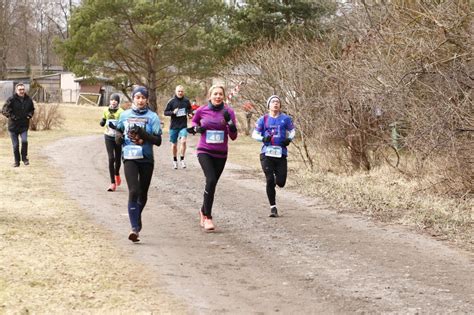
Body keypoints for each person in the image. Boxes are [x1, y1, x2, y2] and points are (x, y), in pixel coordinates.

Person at [114, 86, 162, 242]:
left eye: (143, 97)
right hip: (129, 157)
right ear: (133, 98)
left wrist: (143, 134)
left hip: (147, 159)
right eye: (137, 97)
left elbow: (158, 141)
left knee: (143, 194)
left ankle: (136, 218)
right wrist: (118, 137)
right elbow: (118, 131)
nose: (140, 100)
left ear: (147, 99)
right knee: (133, 190)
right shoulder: (125, 115)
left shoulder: (152, 117)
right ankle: (134, 228)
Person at [187, 85, 238, 231]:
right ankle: (208, 217)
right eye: (215, 94)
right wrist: (196, 128)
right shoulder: (202, 110)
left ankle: (203, 209)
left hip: (221, 153)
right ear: (210, 96)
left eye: (220, 94)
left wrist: (229, 123)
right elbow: (194, 122)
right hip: (205, 151)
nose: (218, 97)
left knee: (213, 184)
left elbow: (233, 137)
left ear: (223, 96)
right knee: (210, 180)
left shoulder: (229, 111)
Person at [252, 95, 295, 217]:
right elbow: (254, 134)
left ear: (280, 105)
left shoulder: (285, 119)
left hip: (281, 153)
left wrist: (289, 139)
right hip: (266, 153)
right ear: (268, 105)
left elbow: (292, 131)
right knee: (270, 179)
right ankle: (273, 208)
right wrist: (262, 138)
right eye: (273, 102)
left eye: (277, 102)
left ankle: (273, 182)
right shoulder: (263, 119)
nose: (275, 104)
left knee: (280, 182)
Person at [1, 83, 35, 167]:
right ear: (16, 90)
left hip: (24, 125)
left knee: (24, 141)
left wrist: (30, 115)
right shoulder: (11, 99)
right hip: (13, 127)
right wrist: (12, 116)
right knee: (15, 145)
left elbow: (32, 109)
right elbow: (4, 110)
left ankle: (24, 158)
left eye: (23, 89)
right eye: (20, 89)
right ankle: (17, 162)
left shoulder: (28, 99)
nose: (22, 91)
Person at [99, 93, 124, 192]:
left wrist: (116, 128)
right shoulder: (106, 110)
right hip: (108, 136)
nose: (113, 101)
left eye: (115, 100)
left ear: (118, 102)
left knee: (118, 159)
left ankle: (117, 173)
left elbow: (123, 127)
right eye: (111, 100)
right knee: (111, 158)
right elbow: (104, 119)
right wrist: (102, 122)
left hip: (117, 137)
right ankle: (112, 183)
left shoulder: (122, 112)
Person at [164, 85, 192, 169]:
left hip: (183, 125)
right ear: (176, 92)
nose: (180, 93)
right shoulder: (171, 101)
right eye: (179, 91)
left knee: (183, 141)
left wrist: (190, 114)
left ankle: (182, 160)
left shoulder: (186, 101)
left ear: (183, 92)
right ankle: (175, 160)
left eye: (181, 91)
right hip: (174, 126)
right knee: (174, 145)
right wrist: (173, 112)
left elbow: (189, 109)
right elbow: (165, 112)